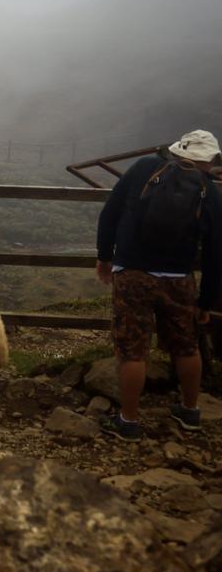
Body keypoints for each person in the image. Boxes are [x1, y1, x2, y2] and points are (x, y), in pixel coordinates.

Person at [95, 130, 222, 440]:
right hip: (179, 279)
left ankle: (129, 421)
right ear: (210, 160)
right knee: (186, 346)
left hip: (133, 273)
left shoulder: (143, 168)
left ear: (177, 151)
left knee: (133, 350)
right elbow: (216, 250)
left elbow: (110, 212)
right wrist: (206, 302)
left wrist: (104, 257)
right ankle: (190, 411)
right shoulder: (210, 190)